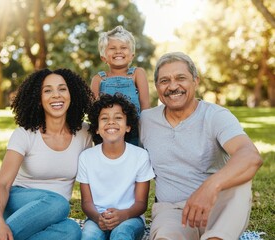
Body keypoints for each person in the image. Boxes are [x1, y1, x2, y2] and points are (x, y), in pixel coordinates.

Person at [139, 52, 262, 240]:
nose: (173, 86)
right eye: (165, 81)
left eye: (181, 78)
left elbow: (251, 156)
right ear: (157, 87)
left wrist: (209, 187)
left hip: (216, 205)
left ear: (195, 81)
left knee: (241, 180)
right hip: (172, 211)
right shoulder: (146, 120)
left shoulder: (216, 115)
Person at [0, 68, 94, 240]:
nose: (56, 95)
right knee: (59, 203)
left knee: (72, 230)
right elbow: (2, 184)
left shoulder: (84, 133)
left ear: (71, 94)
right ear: (38, 99)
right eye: (47, 90)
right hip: (14, 208)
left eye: (62, 89)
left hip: (51, 216)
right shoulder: (25, 134)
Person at [76, 93, 155, 240]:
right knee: (88, 236)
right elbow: (86, 202)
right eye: (104, 118)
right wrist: (98, 217)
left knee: (121, 234)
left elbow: (141, 203)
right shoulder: (86, 157)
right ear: (97, 129)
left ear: (128, 127)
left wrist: (123, 215)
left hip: (131, 217)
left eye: (118, 118)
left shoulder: (140, 156)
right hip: (96, 218)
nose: (111, 122)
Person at [90, 25, 150, 145]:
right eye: (112, 48)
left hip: (134, 134)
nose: (118, 51)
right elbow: (94, 113)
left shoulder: (137, 74)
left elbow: (145, 108)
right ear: (103, 57)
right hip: (108, 134)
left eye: (123, 47)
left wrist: (145, 136)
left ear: (132, 55)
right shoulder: (98, 79)